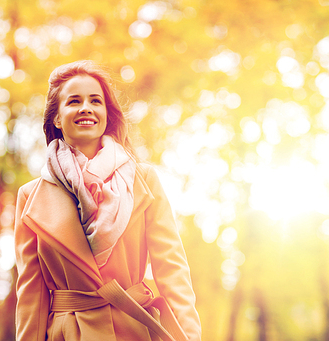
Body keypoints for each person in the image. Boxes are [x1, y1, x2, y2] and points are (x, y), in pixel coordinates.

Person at [14, 60, 201, 341]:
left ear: (106, 113)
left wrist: (189, 336)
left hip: (133, 328)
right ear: (56, 117)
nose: (86, 108)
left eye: (95, 101)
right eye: (73, 101)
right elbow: (30, 294)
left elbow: (172, 271)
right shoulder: (31, 196)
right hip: (68, 333)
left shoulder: (143, 179)